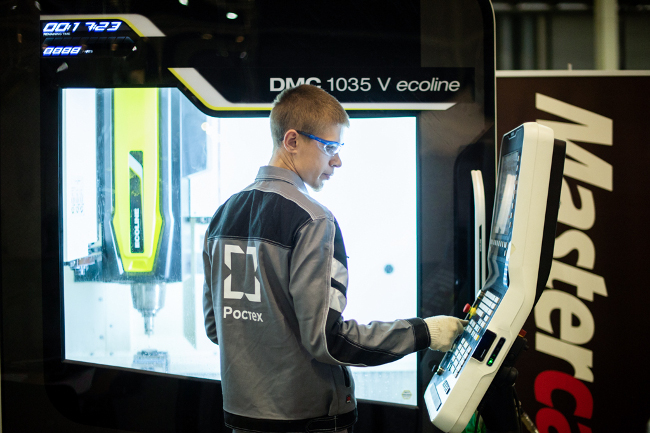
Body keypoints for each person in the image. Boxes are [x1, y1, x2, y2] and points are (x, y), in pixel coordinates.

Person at [203, 84, 467, 433]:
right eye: (330, 147)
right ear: (292, 141)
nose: (337, 161)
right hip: (306, 420)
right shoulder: (313, 220)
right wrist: (423, 332)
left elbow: (216, 328)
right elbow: (328, 340)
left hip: (242, 418)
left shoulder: (223, 215)